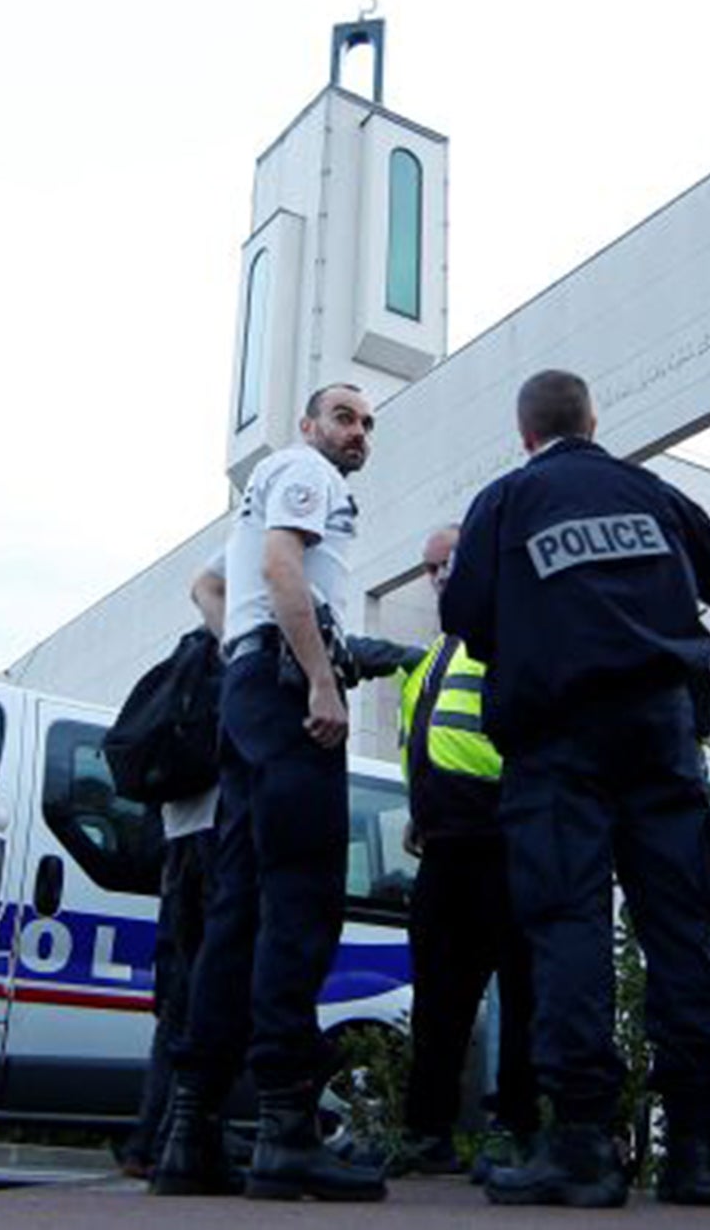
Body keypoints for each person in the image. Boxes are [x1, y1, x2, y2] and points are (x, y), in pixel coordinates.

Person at [439, 369, 710, 1209]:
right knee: (679, 922)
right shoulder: (649, 490)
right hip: (659, 733)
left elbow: (464, 614)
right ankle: (693, 1150)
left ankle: (582, 1142)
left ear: (526, 434)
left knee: (567, 923)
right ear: (591, 420)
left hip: (556, 738)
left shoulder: (505, 501)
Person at [151, 383, 390, 1202]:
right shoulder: (304, 471)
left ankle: (191, 1131)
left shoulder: (262, 491)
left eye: (365, 424)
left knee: (238, 911)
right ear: (310, 423)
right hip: (286, 692)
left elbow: (207, 587)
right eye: (345, 418)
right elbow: (284, 563)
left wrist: (243, 652)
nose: (357, 432)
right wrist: (319, 680)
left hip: (253, 688)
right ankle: (288, 1130)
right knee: (302, 900)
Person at [393, 526, 538, 1180]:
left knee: (523, 991)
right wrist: (420, 813)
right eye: (430, 568)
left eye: (450, 563)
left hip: (505, 841)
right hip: (444, 849)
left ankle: (516, 1128)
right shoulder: (431, 658)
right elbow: (427, 744)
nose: (440, 576)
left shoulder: (513, 634)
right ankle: (427, 1134)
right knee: (438, 1001)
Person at [120, 561, 228, 1179]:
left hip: (179, 838)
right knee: (210, 982)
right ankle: (184, 1137)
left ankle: (149, 1138)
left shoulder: (184, 656)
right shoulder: (227, 650)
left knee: (181, 990)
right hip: (217, 833)